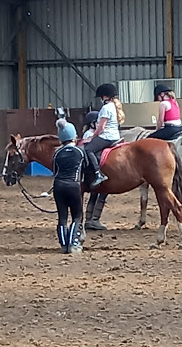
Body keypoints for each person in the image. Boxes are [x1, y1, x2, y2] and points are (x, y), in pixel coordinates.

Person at [52, 118, 88, 253]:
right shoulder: (79, 152)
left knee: (62, 216)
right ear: (73, 136)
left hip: (58, 186)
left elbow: (55, 171)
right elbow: (86, 167)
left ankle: (63, 244)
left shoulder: (57, 153)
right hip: (73, 185)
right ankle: (73, 244)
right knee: (77, 216)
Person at [84, 83, 125, 188]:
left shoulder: (106, 108)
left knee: (88, 149)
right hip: (116, 136)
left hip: (107, 136)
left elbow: (101, 128)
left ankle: (98, 174)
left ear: (105, 96)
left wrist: (92, 138)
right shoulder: (114, 107)